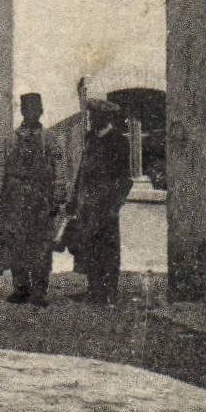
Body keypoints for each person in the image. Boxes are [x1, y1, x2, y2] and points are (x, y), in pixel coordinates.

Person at [0, 93, 69, 307]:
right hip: (15, 199)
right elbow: (1, 168)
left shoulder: (50, 139)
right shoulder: (11, 139)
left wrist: (59, 196)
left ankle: (39, 290)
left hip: (41, 200)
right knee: (16, 243)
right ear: (22, 112)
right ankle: (20, 288)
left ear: (41, 112)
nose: (31, 114)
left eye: (35, 110)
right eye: (27, 110)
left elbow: (59, 170)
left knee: (41, 245)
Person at [66, 99, 132, 304]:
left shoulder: (118, 141)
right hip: (87, 202)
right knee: (89, 246)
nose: (93, 120)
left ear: (107, 118)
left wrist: (114, 205)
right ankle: (93, 289)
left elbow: (124, 179)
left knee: (107, 247)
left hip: (106, 203)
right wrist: (73, 199)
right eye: (91, 116)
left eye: (97, 117)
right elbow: (82, 171)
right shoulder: (90, 138)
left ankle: (109, 291)